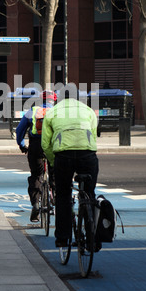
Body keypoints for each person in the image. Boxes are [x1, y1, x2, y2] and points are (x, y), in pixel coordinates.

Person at [41, 88, 99, 247]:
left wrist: (53, 162)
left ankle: (62, 238)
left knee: (63, 195)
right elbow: (93, 136)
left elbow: (45, 144)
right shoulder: (88, 111)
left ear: (59, 98)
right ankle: (92, 236)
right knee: (89, 193)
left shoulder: (52, 112)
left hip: (63, 156)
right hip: (87, 155)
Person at [16, 90, 57, 222]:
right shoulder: (58, 112)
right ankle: (56, 201)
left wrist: (22, 145)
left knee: (36, 175)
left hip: (36, 146)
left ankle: (36, 205)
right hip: (52, 146)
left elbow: (19, 130)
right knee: (55, 173)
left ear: (42, 100)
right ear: (54, 101)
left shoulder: (32, 111)